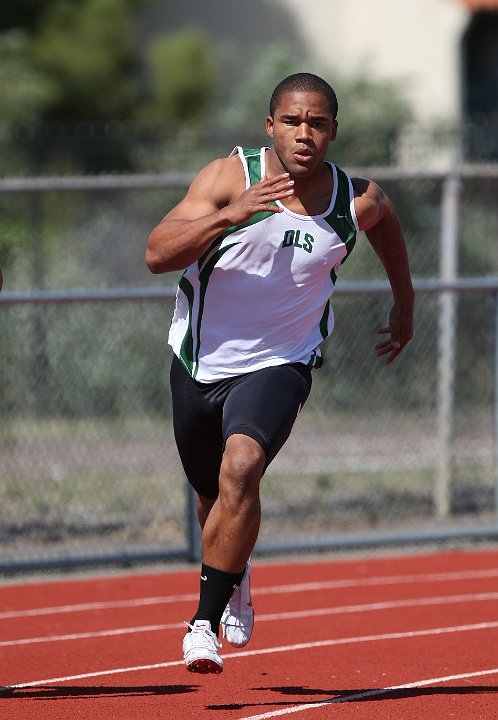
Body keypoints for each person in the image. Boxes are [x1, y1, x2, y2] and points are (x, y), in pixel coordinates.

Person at [145, 72, 414, 674]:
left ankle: (202, 625)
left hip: (282, 360)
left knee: (242, 469)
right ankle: (233, 576)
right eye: (292, 121)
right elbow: (158, 254)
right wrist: (229, 216)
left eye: (317, 123)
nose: (304, 134)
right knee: (213, 495)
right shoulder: (228, 176)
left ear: (333, 131)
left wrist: (405, 300)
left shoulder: (354, 198)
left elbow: (387, 220)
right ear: (271, 126)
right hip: (199, 360)